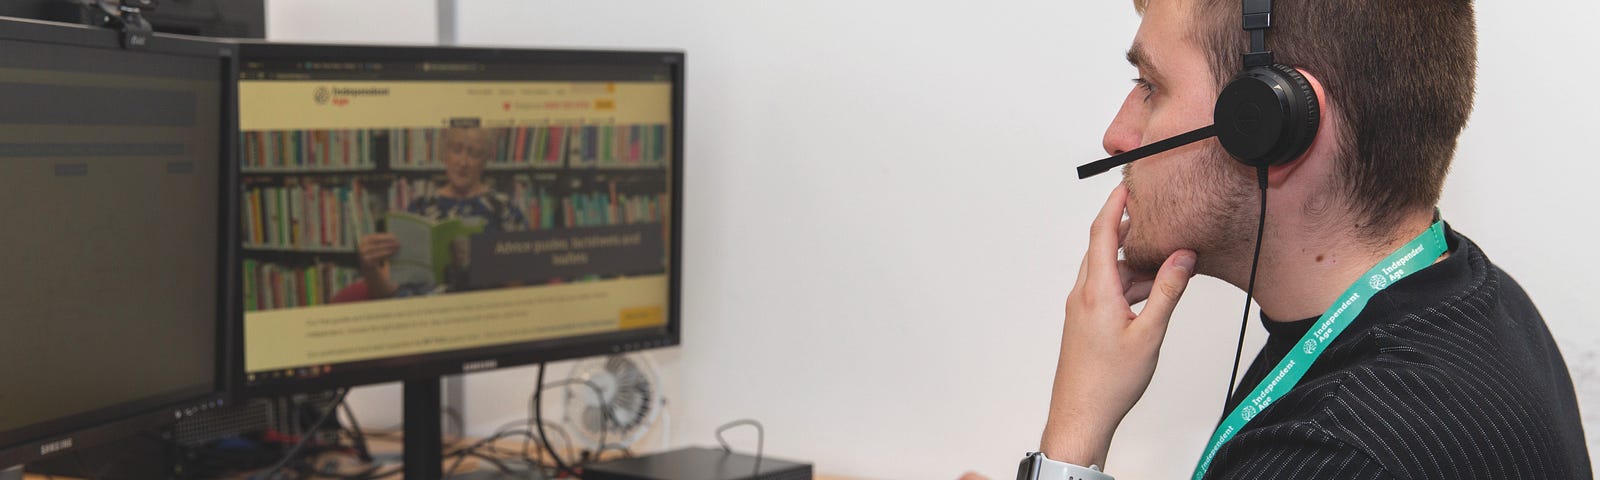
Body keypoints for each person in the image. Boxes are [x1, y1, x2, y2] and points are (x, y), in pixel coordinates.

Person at [1027, 0, 1591, 478]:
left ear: (1271, 123)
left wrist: (1073, 440)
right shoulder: (1472, 288)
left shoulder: (1339, 453)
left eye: (1151, 85)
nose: (1116, 137)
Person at [358, 127, 527, 298]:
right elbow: (386, 289)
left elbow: (518, 288)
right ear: (445, 154)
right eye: (456, 150)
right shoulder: (419, 207)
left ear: (484, 161)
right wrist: (369, 267)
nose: (463, 162)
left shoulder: (504, 208)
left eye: (474, 154)